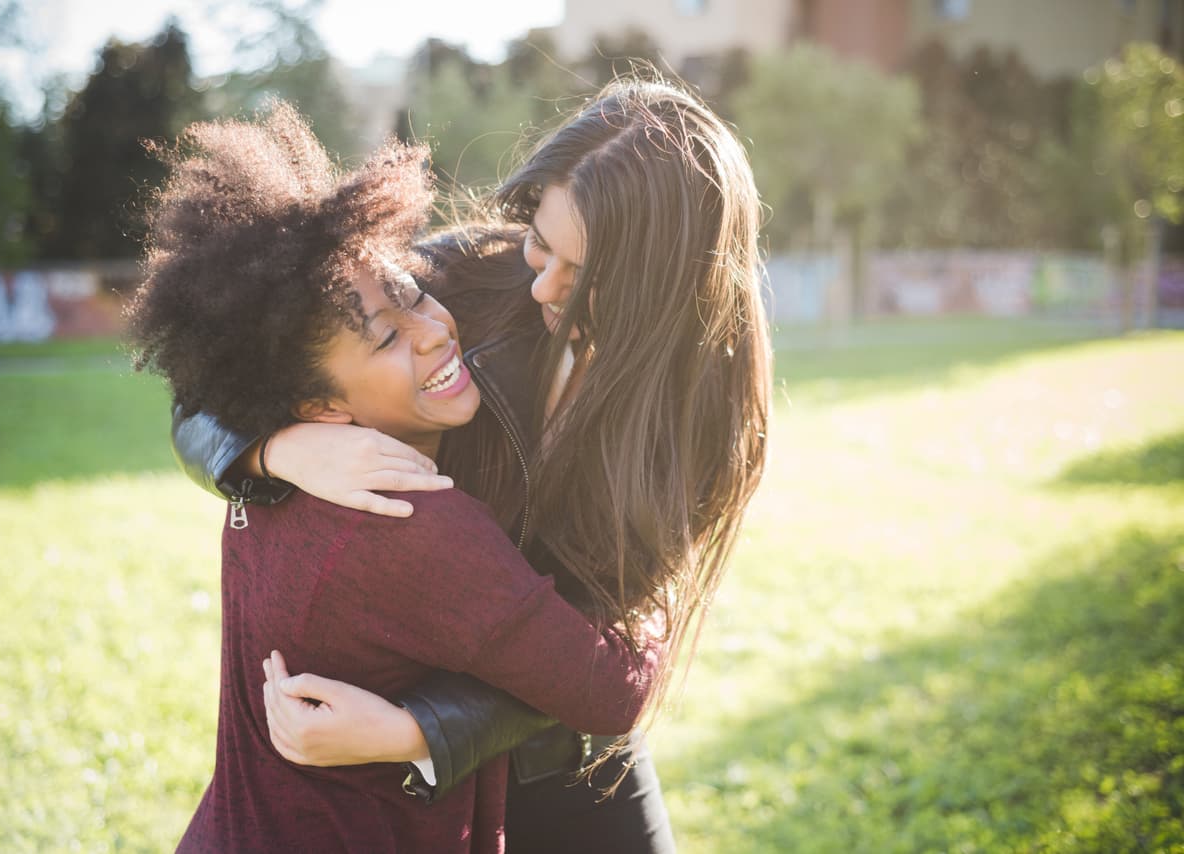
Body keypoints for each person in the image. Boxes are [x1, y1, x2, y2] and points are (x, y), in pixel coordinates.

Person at [173, 76, 772, 853]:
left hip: (562, 755)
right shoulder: (451, 282)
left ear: (660, 287)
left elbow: (619, 646)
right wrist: (277, 445)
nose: (541, 284)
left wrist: (418, 731)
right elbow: (214, 378)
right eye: (540, 241)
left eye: (581, 274)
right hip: (406, 792)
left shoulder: (706, 423)